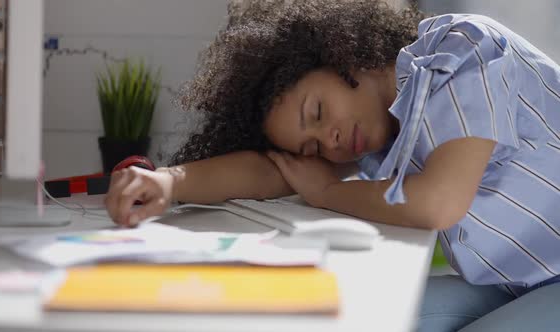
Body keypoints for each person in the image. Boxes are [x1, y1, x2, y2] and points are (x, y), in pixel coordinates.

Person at [104, 1, 560, 330]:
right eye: (313, 148)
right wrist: (167, 182)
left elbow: (438, 204)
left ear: (345, 56)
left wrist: (327, 193)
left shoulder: (461, 51)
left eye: (318, 113)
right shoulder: (385, 135)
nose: (330, 143)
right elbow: (272, 171)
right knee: (361, 317)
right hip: (521, 281)